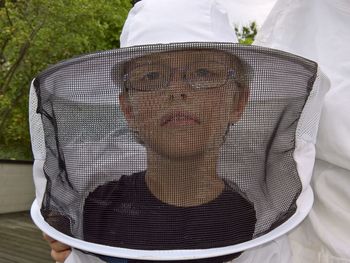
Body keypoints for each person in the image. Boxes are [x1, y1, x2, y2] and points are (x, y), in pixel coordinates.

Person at [44, 47, 255, 262]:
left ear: (238, 102)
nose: (177, 90)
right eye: (151, 75)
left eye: (203, 72)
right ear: (128, 110)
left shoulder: (254, 218)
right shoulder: (94, 208)